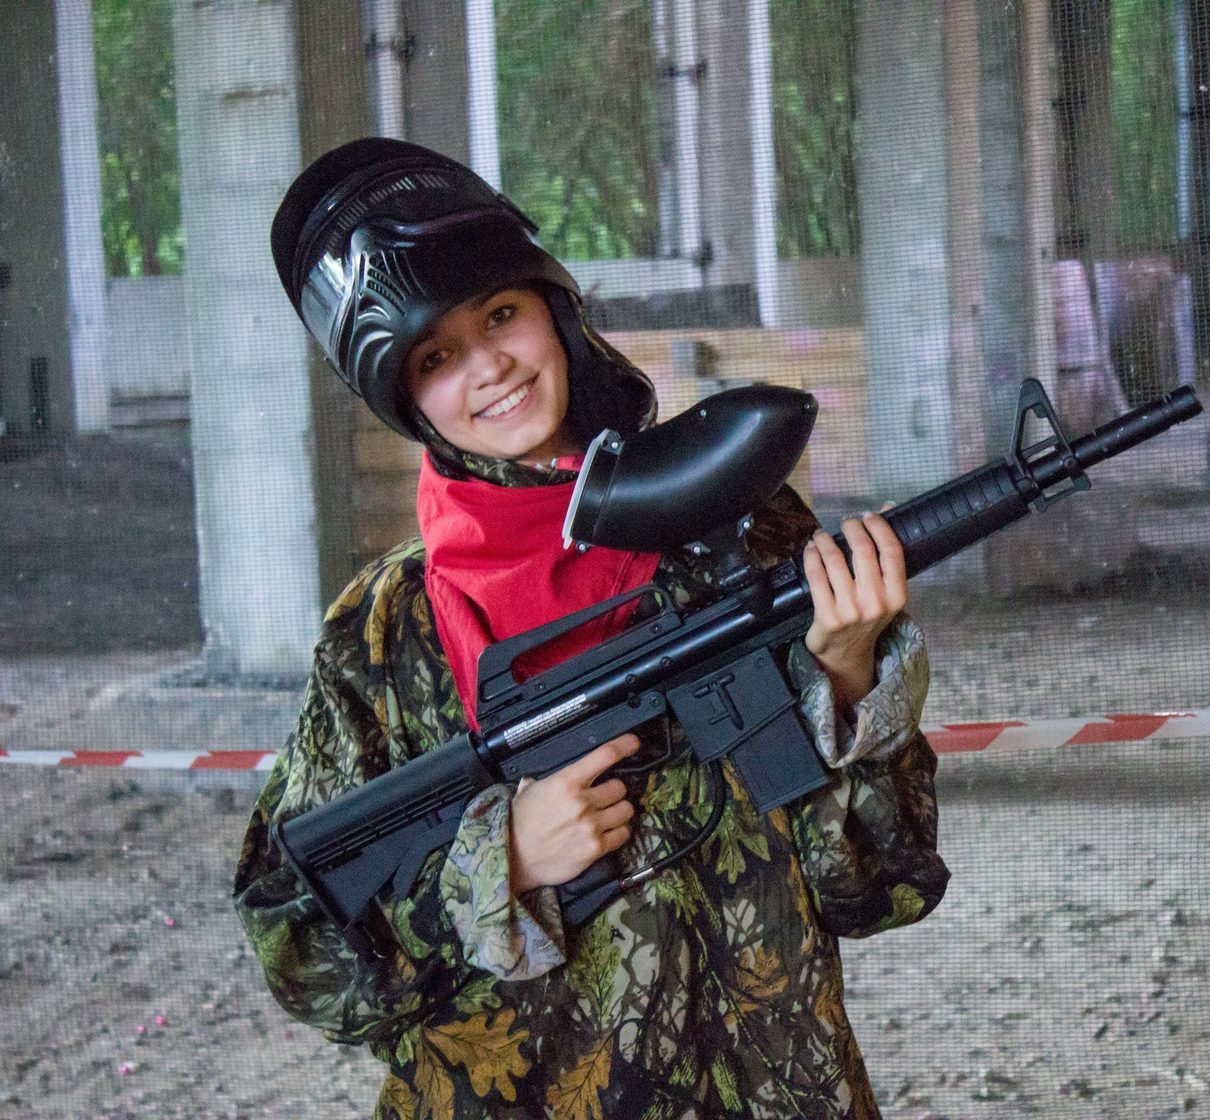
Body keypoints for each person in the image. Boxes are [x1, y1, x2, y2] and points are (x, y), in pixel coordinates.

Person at [233, 137, 948, 1120]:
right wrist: (501, 865)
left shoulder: (741, 529)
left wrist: (851, 679)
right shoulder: (384, 637)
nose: (489, 367)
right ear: (405, 399)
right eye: (436, 356)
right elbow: (295, 938)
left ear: (553, 309)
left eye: (501, 314)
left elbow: (880, 891)